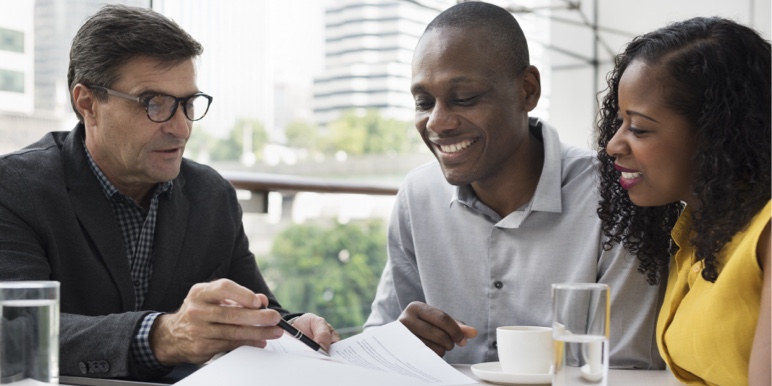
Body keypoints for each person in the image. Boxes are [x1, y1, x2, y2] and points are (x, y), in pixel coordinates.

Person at [0, 5, 338, 381]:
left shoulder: (212, 195)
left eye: (188, 104)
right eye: (154, 103)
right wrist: (161, 336)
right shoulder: (16, 188)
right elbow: (13, 330)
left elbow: (258, 309)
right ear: (88, 103)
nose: (181, 128)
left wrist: (292, 327)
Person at [365, 1, 665, 369]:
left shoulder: (618, 193)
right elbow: (378, 347)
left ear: (527, 90)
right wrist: (398, 344)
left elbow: (624, 370)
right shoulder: (417, 196)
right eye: (424, 102)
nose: (437, 123)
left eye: (464, 99)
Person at [596, 16, 770, 386]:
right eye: (619, 122)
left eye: (639, 128)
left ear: (716, 134)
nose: (613, 145)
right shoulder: (694, 232)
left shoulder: (764, 233)